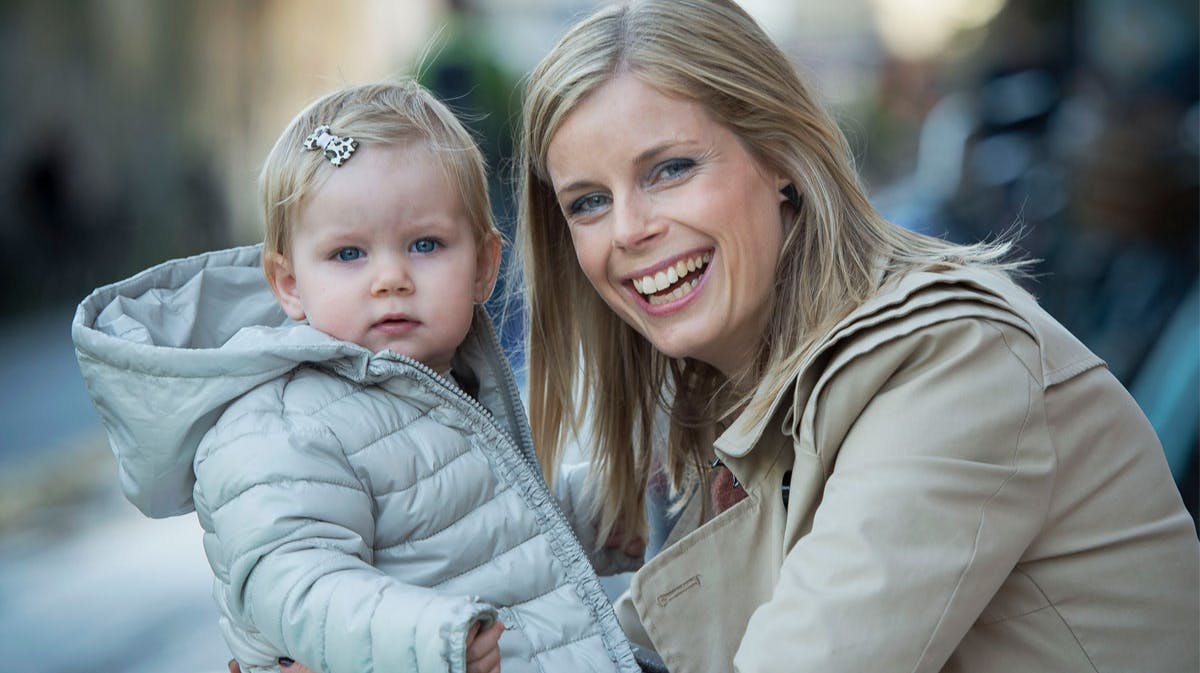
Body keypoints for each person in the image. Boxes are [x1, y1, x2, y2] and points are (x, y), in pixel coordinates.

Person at [515, 1, 1200, 671]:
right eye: (589, 202)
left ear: (778, 151)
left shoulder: (950, 360)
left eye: (670, 168)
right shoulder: (747, 401)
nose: (629, 228)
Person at [72, 81, 642, 673]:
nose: (390, 277)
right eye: (349, 254)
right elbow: (297, 588)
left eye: (425, 244)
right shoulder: (279, 424)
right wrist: (424, 643)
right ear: (288, 283)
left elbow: (486, 531)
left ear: (484, 267)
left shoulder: (432, 385)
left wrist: (611, 505)